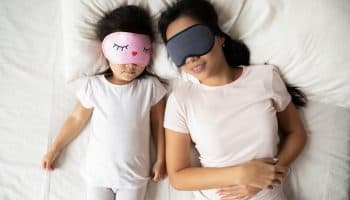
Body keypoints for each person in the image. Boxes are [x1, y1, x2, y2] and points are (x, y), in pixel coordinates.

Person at [158, 0, 307, 199]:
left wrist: (267, 175)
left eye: (194, 40)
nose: (190, 58)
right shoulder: (180, 100)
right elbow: (178, 177)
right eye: (179, 50)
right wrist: (241, 175)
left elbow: (296, 132)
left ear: (219, 37)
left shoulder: (265, 78)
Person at [41, 5, 167, 200]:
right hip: (98, 174)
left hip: (133, 177)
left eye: (138, 56)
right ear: (106, 52)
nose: (130, 65)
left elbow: (159, 124)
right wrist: (55, 149)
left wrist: (160, 158)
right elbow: (76, 119)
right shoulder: (95, 86)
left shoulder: (150, 87)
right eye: (122, 53)